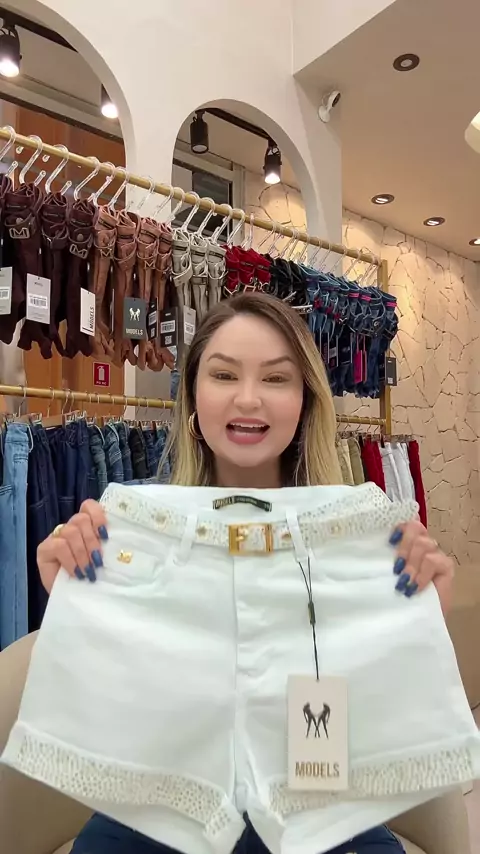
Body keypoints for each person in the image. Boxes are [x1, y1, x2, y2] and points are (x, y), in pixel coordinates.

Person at [36, 292, 454, 854]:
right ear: (193, 395)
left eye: (276, 378)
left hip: (316, 801)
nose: (249, 398)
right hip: (157, 811)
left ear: (305, 400)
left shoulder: (354, 533)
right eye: (224, 374)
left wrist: (417, 623)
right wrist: (72, 599)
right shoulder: (130, 526)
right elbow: (111, 714)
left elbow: (355, 736)